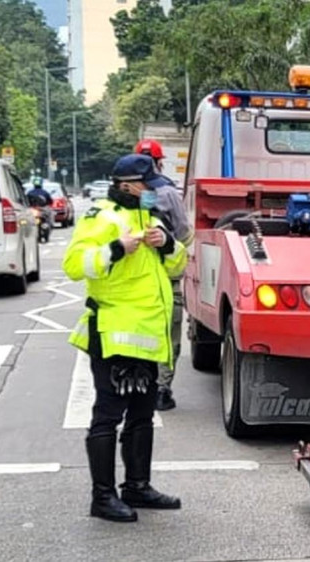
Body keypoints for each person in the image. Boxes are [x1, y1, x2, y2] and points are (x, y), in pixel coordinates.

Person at [63, 154, 188, 522]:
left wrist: (165, 243)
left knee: (142, 414)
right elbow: (74, 265)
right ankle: (102, 497)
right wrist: (116, 249)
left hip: (148, 335)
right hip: (114, 334)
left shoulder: (149, 217)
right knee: (108, 414)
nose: (154, 191)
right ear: (127, 185)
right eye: (148, 185)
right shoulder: (100, 217)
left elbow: (178, 264)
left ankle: (137, 486)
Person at [134, 138, 193, 411]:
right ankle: (162, 388)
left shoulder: (128, 192)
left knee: (141, 331)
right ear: (159, 162)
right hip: (167, 277)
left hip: (137, 277)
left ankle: (140, 383)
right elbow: (183, 231)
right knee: (170, 334)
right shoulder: (168, 193)